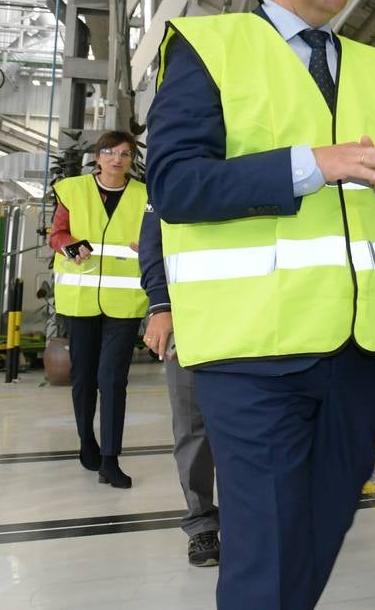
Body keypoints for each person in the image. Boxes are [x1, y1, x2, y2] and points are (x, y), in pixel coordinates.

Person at [146, 0, 375, 610]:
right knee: (268, 547)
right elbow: (176, 185)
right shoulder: (212, 48)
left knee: (316, 532)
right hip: (253, 354)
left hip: (357, 351)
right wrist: (316, 164)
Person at [50, 130, 148, 489]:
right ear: (98, 155)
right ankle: (85, 439)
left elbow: (159, 235)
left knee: (113, 379)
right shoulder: (73, 189)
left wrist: (149, 244)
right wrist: (70, 245)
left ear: (132, 158)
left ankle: (110, 457)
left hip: (124, 301)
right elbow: (57, 233)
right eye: (109, 152)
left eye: (124, 153)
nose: (116, 159)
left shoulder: (144, 195)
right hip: (81, 299)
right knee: (84, 377)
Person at [139, 203, 219, 567]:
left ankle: (252, 523)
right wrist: (160, 306)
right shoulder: (173, 166)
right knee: (192, 426)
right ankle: (201, 523)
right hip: (189, 318)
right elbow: (153, 247)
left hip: (261, 319)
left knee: (255, 427)